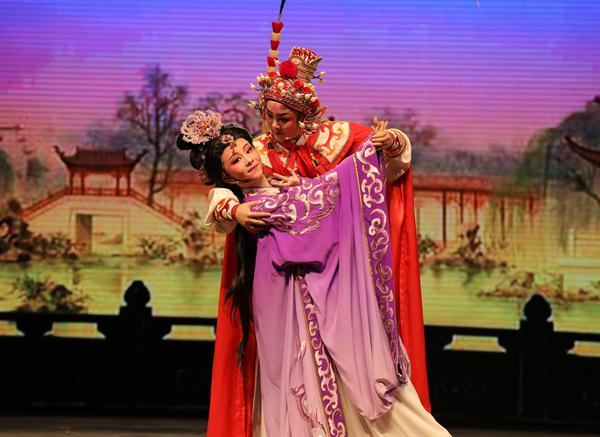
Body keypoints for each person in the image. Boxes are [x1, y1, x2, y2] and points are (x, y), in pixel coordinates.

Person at [202, 22, 429, 437]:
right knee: (287, 374)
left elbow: (383, 164)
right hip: (281, 286)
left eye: (284, 119)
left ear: (305, 116)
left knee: (353, 363)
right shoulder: (255, 151)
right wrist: (235, 210)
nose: (273, 127)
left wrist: (390, 143)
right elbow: (219, 193)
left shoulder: (338, 138)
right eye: (268, 117)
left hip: (340, 277)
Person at [177, 111, 449, 436]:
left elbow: (316, 197)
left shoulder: (315, 152)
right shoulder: (254, 205)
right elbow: (223, 199)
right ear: (226, 174)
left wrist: (381, 145)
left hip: (307, 290)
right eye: (237, 160)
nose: (249, 159)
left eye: (248, 150)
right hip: (279, 297)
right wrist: (236, 209)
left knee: (333, 373)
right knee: (291, 378)